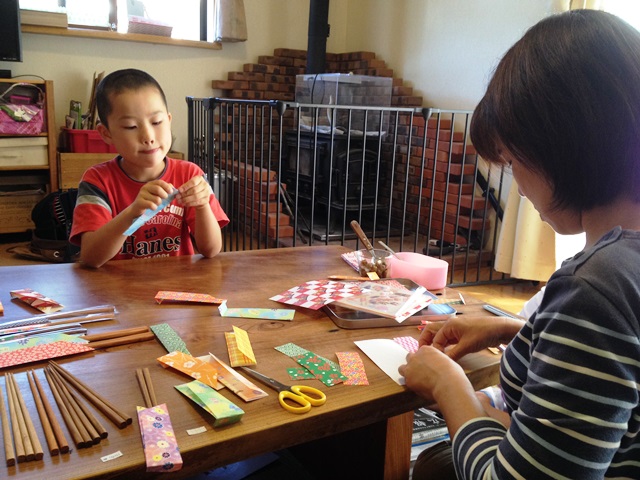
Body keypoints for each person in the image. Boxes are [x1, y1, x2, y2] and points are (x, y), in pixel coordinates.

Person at [399, 9, 640, 479]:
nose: (519, 188)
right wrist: (512, 330)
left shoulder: (597, 285)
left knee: (433, 465)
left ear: (560, 145)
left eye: (510, 161)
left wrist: (450, 388)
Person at [70, 69, 228, 268]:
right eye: (130, 126)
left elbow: (211, 249)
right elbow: (92, 257)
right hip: (117, 292)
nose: (148, 136)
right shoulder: (97, 180)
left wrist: (203, 205)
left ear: (168, 121)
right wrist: (132, 212)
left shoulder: (190, 175)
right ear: (106, 133)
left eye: (156, 122)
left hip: (177, 289)